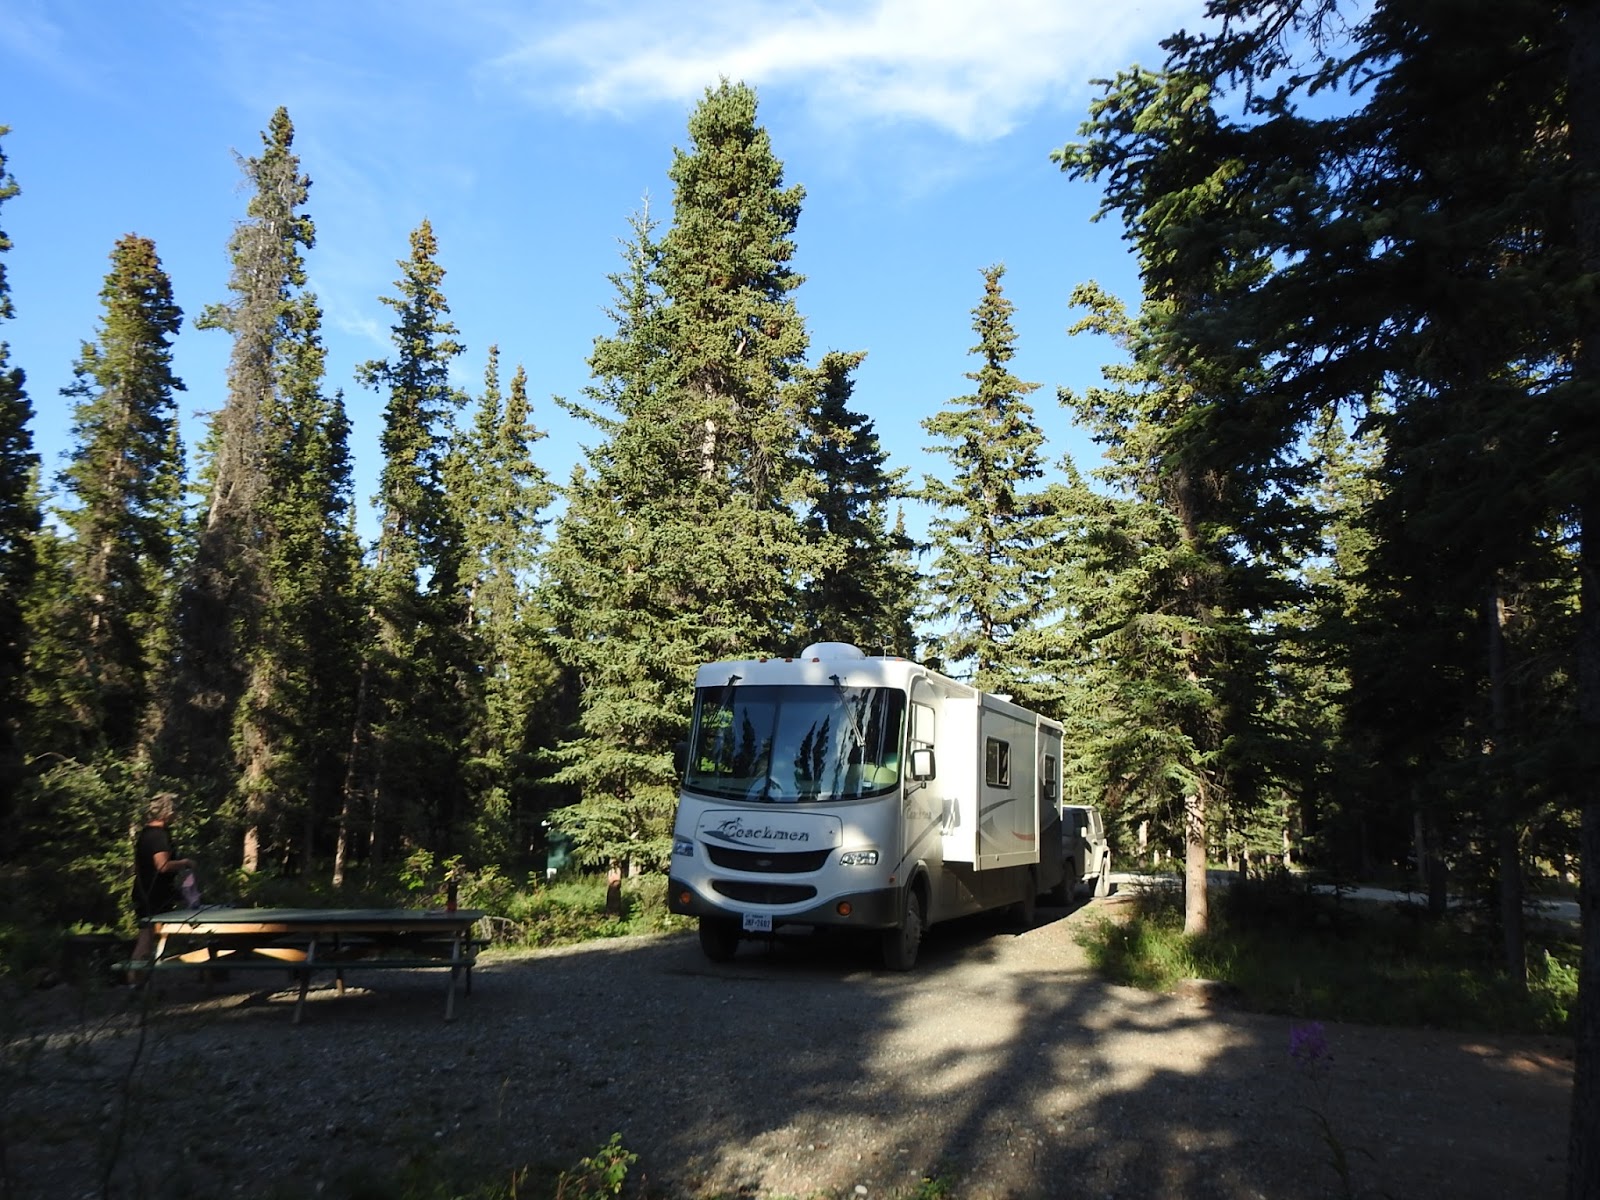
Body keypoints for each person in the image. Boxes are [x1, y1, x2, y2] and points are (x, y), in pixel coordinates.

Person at [128, 793, 194, 983]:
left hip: (150, 892)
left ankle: (140, 980)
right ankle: (134, 980)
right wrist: (185, 862)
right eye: (174, 811)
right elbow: (162, 865)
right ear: (167, 812)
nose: (176, 815)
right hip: (152, 894)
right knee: (146, 939)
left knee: (149, 938)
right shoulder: (157, 836)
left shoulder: (147, 833)